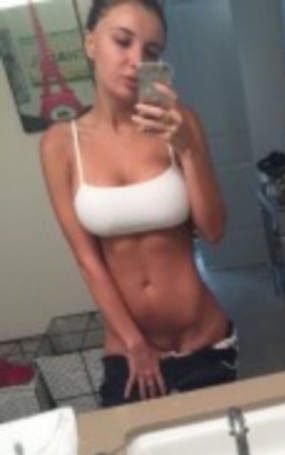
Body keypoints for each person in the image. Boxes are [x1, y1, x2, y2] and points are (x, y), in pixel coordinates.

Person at [40, 0, 237, 408]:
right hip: (129, 352)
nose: (136, 61)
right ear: (91, 43)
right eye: (122, 41)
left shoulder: (181, 123)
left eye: (151, 51)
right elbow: (88, 261)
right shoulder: (60, 144)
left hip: (204, 339)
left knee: (226, 446)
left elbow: (214, 231)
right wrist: (135, 343)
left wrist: (189, 149)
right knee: (132, 449)